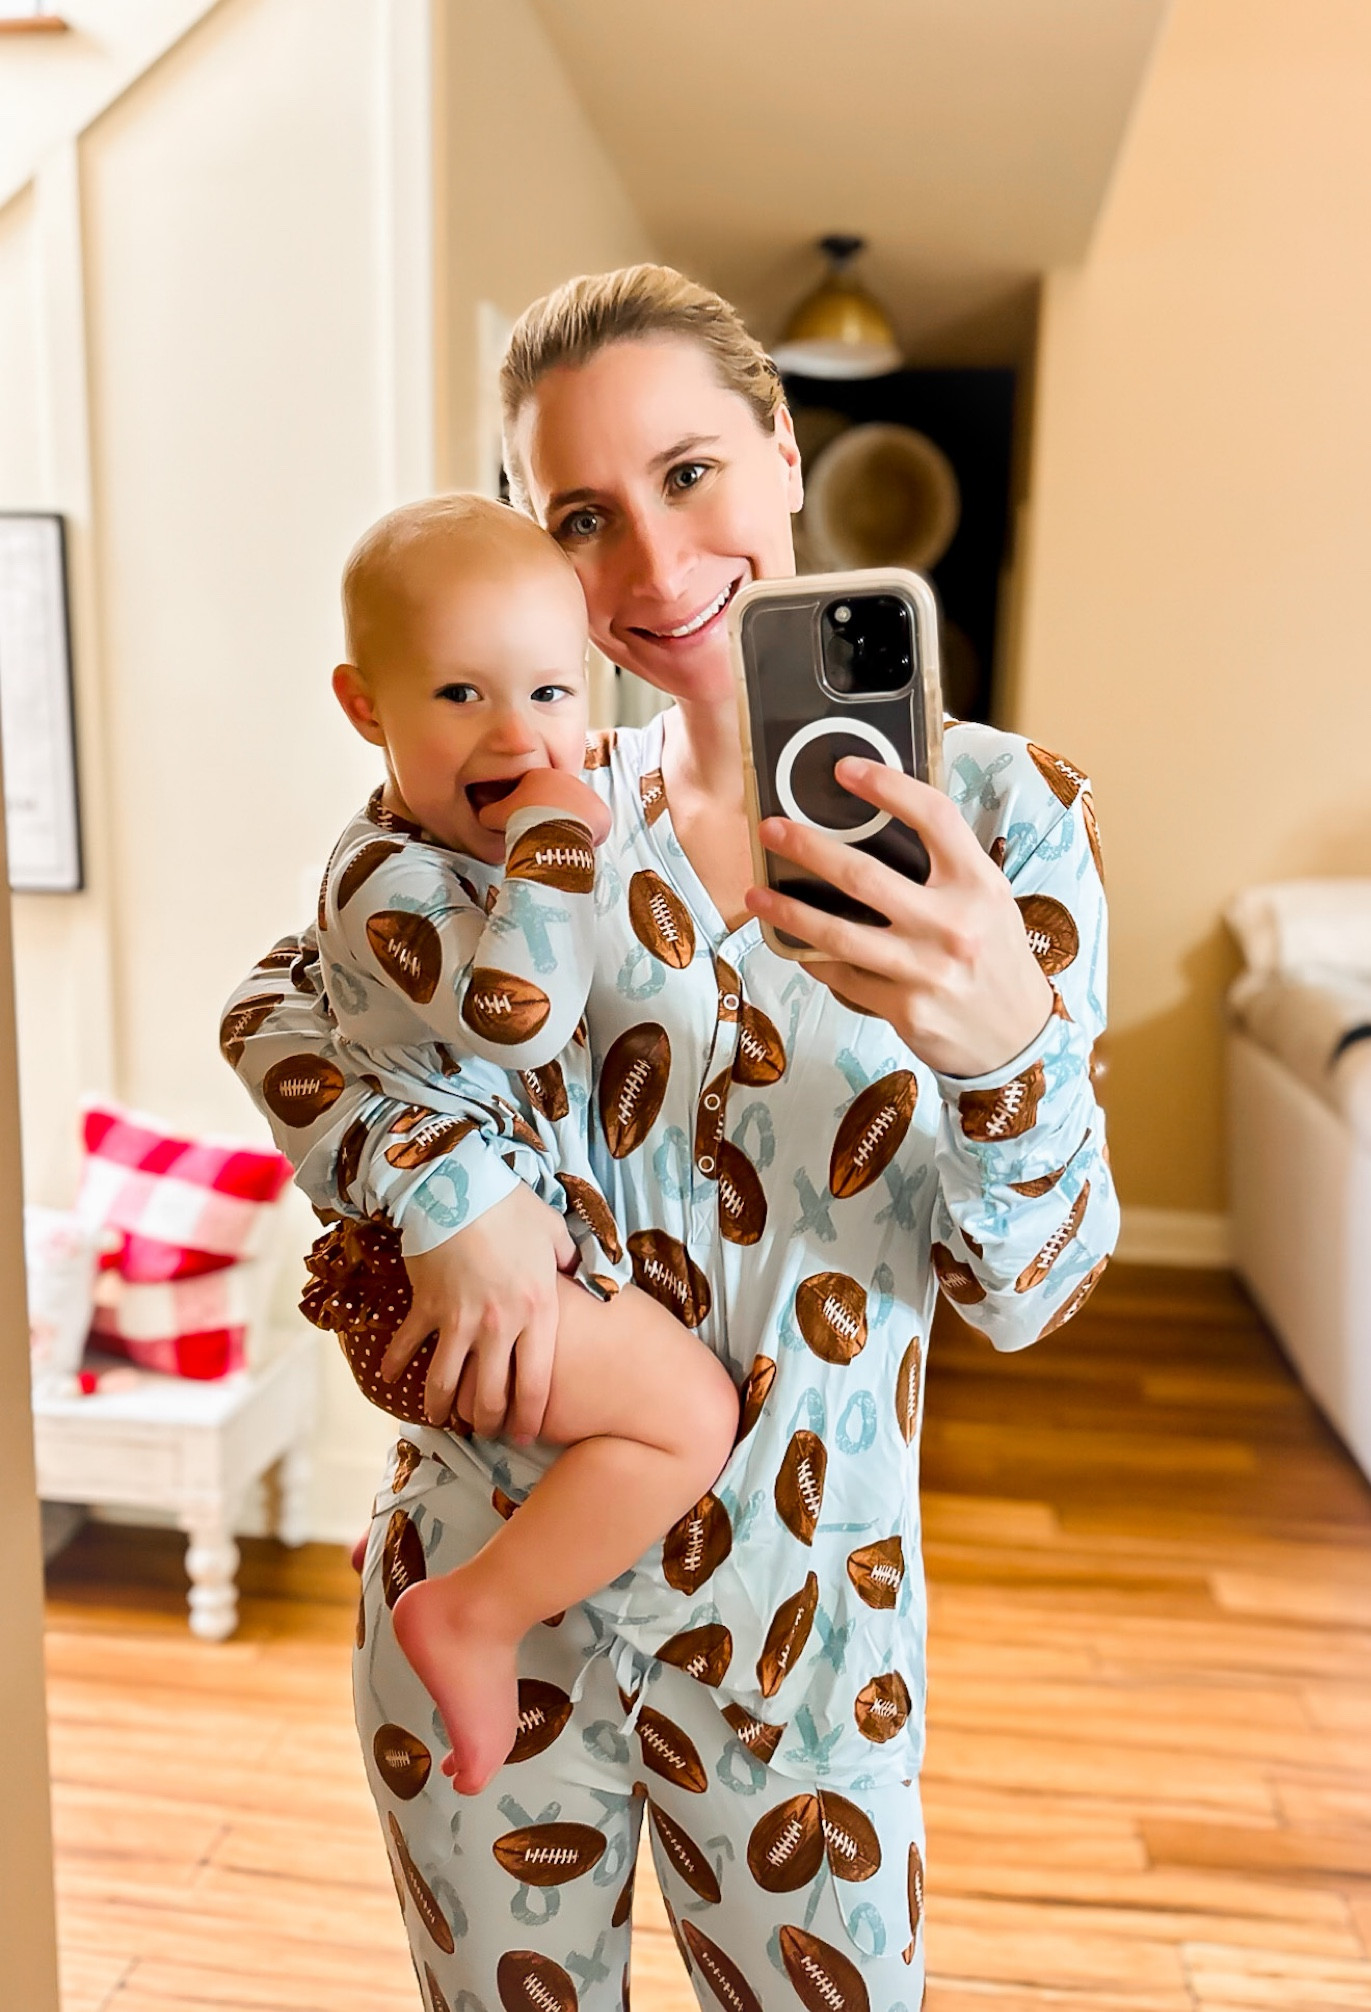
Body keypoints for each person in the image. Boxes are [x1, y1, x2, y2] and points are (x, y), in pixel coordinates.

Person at [223, 265, 1118, 2012]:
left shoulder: (1002, 820)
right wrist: (442, 1181)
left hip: (805, 1662)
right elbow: (280, 1010)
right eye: (581, 516)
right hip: (482, 1607)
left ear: (786, 454)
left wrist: (1006, 1045)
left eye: (693, 473)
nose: (649, 566)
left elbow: (1034, 1285)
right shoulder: (524, 799)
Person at [248, 492, 740, 1796]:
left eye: (551, 692)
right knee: (687, 1415)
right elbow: (516, 1019)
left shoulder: (483, 818)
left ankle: (455, 1535)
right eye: (462, 694)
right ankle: (470, 1614)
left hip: (450, 1263)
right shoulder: (390, 881)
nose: (521, 736)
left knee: (610, 1402)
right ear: (367, 707)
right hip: (418, 1276)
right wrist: (561, 831)